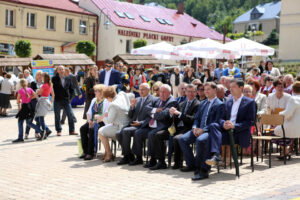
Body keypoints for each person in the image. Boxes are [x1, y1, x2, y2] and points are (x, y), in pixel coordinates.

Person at [178, 82, 224, 181]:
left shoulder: (220, 104)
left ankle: (203, 169)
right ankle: (192, 165)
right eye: (204, 89)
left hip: (209, 131)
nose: (206, 91)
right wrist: (195, 127)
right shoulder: (202, 103)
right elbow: (197, 118)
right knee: (182, 139)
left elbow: (216, 122)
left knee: (201, 140)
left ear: (215, 90)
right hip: (198, 129)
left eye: (208, 89)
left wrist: (203, 130)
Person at [205, 80, 256, 170]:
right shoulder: (228, 102)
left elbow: (250, 122)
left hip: (238, 133)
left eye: (233, 87)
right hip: (226, 131)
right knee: (213, 125)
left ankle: (216, 157)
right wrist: (223, 123)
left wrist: (234, 125)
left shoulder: (249, 102)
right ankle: (216, 155)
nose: (230, 89)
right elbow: (220, 118)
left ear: (241, 88)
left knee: (209, 138)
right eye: (230, 87)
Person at [132, 84, 178, 169]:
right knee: (138, 133)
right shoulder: (157, 100)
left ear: (170, 92)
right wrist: (155, 110)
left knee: (152, 134)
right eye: (160, 92)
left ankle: (156, 160)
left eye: (164, 92)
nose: (161, 94)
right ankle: (138, 157)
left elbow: (162, 116)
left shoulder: (172, 102)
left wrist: (153, 114)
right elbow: (146, 108)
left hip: (164, 127)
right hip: (152, 125)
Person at [116, 83, 155, 165]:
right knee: (118, 133)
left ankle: (129, 157)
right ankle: (129, 155)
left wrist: (140, 123)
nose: (141, 91)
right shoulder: (137, 99)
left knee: (126, 131)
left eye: (143, 89)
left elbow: (152, 116)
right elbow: (130, 116)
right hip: (133, 124)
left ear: (148, 90)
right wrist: (132, 107)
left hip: (144, 125)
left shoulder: (153, 100)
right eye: (140, 89)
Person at [98, 87, 134, 162]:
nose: (107, 100)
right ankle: (108, 153)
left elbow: (110, 120)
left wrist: (101, 118)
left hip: (120, 126)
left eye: (106, 99)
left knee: (100, 131)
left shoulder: (113, 105)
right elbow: (132, 95)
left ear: (108, 97)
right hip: (128, 122)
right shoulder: (122, 94)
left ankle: (109, 153)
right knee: (104, 129)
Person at [168, 84, 200, 169]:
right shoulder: (182, 103)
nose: (190, 94)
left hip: (189, 128)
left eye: (192, 92)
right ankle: (164, 161)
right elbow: (177, 117)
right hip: (178, 128)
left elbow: (192, 119)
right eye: (188, 91)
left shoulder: (197, 104)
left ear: (196, 93)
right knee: (163, 134)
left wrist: (179, 114)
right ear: (185, 92)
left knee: (177, 138)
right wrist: (172, 114)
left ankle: (179, 162)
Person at [79, 84, 109, 160]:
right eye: (95, 91)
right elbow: (88, 113)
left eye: (96, 91)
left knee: (92, 130)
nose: (94, 92)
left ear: (101, 92)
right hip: (92, 121)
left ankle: (90, 152)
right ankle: (85, 151)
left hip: (101, 122)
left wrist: (96, 121)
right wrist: (89, 121)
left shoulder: (106, 101)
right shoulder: (93, 100)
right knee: (83, 128)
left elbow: (106, 115)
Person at [13, 79, 42, 143]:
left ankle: (20, 137)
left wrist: (19, 107)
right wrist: (29, 98)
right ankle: (41, 131)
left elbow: (18, 101)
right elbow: (36, 95)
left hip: (24, 107)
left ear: (20, 84)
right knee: (29, 123)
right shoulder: (30, 89)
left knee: (20, 122)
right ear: (26, 83)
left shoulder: (20, 91)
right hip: (30, 107)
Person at [52, 65, 77, 136]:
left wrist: (70, 99)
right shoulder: (54, 79)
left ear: (64, 70)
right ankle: (58, 130)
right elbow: (51, 89)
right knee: (57, 116)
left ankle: (72, 130)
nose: (61, 71)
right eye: (59, 69)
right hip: (57, 100)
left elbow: (72, 90)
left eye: (62, 69)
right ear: (57, 71)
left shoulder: (68, 79)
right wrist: (53, 96)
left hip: (66, 100)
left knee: (71, 115)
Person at [35, 72, 55, 140]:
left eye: (42, 76)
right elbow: (53, 94)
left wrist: (37, 90)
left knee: (40, 119)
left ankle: (44, 133)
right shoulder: (50, 84)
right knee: (39, 119)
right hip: (46, 100)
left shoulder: (44, 85)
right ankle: (46, 131)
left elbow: (38, 92)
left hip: (42, 101)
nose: (41, 77)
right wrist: (51, 103)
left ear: (44, 77)